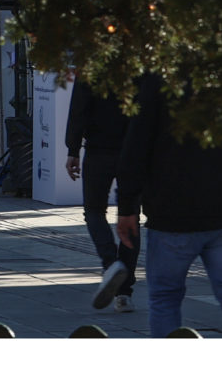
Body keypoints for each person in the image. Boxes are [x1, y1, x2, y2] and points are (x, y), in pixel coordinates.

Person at [115, 74, 222, 339]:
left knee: (165, 297)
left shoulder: (163, 75)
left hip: (173, 211)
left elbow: (136, 144)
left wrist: (126, 207)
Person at [65, 74, 136, 310]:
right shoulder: (139, 61)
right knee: (130, 216)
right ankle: (124, 294)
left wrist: (73, 149)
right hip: (131, 150)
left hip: (98, 150)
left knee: (94, 211)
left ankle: (111, 263)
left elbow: (78, 108)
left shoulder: (92, 64)